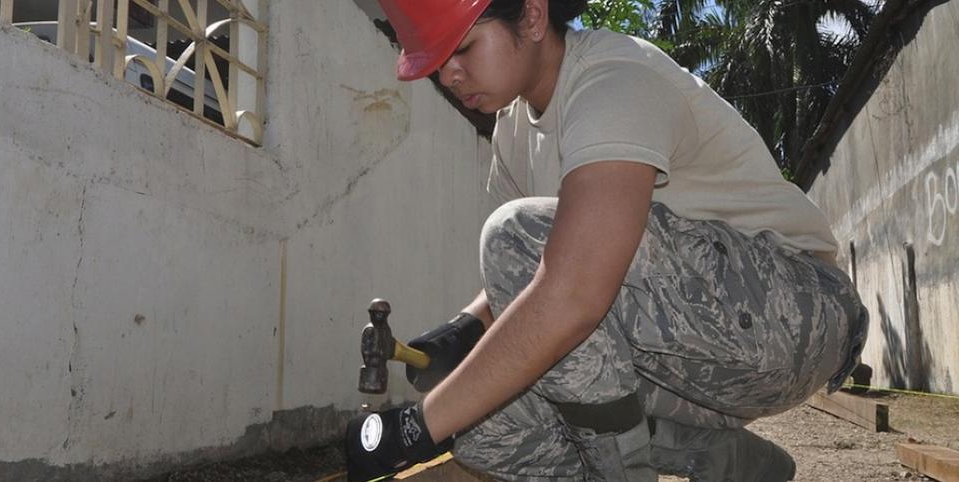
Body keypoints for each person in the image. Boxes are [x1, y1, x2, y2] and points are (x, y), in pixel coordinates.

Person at [345, 0, 868, 480]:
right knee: (489, 434)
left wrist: (415, 427)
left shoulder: (613, 79)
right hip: (696, 359)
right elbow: (536, 269)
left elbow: (569, 288)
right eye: (437, 63)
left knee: (512, 236)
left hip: (795, 318)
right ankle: (716, 455)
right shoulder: (510, 135)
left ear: (530, 17)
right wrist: (462, 331)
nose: (449, 74)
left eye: (461, 48)